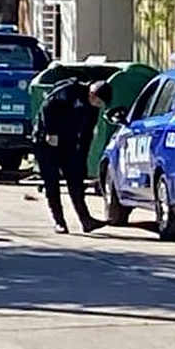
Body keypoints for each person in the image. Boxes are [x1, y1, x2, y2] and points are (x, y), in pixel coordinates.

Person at [34, 78, 112, 234]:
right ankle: (59, 222)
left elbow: (87, 133)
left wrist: (82, 157)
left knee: (75, 181)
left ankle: (86, 220)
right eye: (97, 102)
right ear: (92, 93)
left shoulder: (92, 109)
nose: (97, 106)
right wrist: (51, 132)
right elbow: (47, 107)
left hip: (68, 143)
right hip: (47, 141)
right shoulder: (70, 90)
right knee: (52, 181)